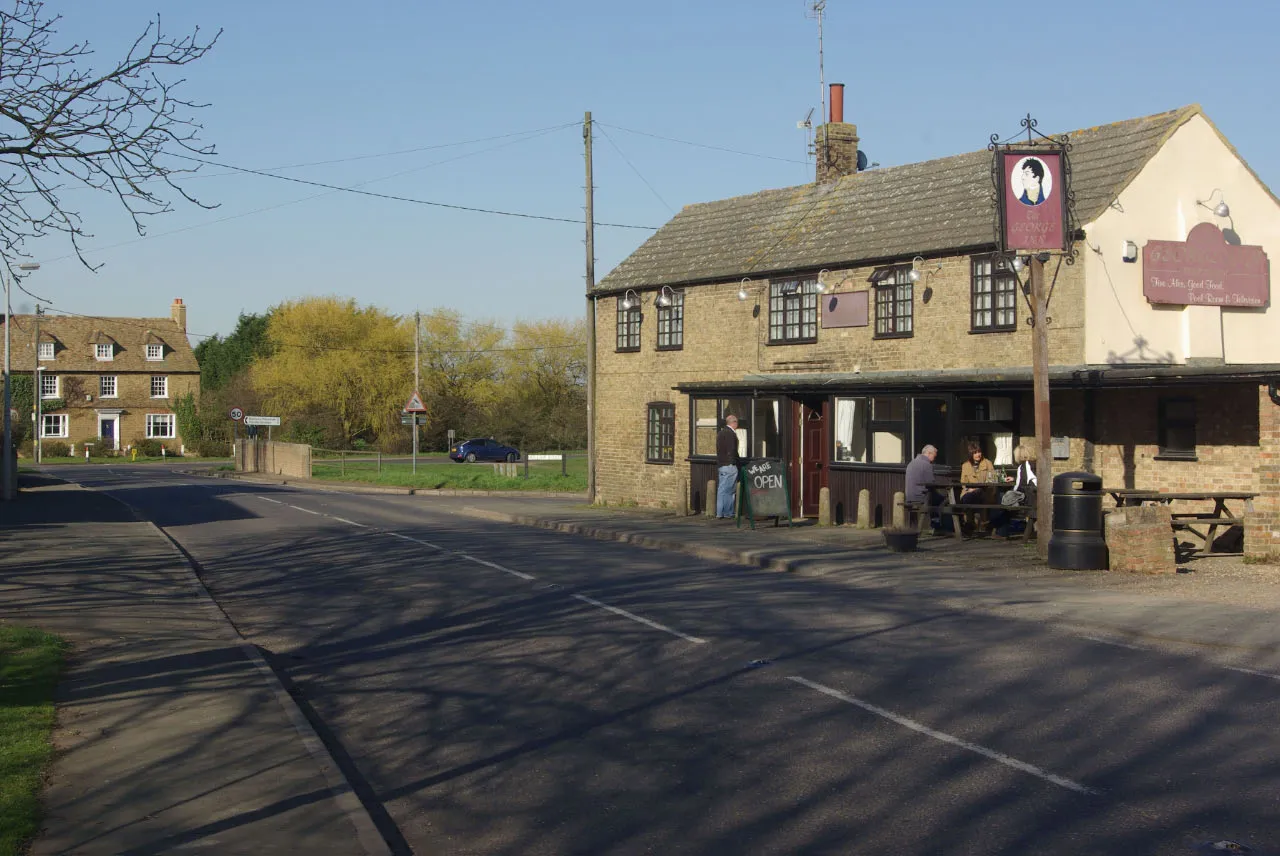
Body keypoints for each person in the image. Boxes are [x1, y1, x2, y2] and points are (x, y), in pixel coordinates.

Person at [995, 443, 1039, 538]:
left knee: (1003, 503)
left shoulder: (1022, 467)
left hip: (1029, 500)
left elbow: (1018, 487)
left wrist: (1012, 490)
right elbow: (1031, 478)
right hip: (1037, 497)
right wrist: (1015, 478)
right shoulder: (1036, 464)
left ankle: (1001, 532)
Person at [958, 441, 996, 535]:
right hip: (969, 493)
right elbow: (963, 482)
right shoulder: (965, 465)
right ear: (971, 454)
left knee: (979, 493)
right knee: (967, 498)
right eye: (975, 453)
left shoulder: (987, 463)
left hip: (984, 492)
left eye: (979, 452)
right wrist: (968, 489)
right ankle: (972, 523)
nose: (978, 454)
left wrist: (977, 488)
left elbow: (992, 479)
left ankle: (978, 523)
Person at [904, 444, 943, 530]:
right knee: (942, 500)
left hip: (909, 497)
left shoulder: (911, 463)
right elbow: (931, 483)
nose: (934, 459)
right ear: (929, 453)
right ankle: (936, 524)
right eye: (934, 456)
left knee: (935, 497)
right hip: (921, 497)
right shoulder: (927, 465)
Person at [715, 414, 742, 519]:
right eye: (737, 422)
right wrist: (734, 461)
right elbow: (732, 450)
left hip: (721, 465)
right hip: (729, 465)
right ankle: (728, 512)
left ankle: (719, 512)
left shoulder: (721, 433)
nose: (737, 425)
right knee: (730, 490)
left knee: (721, 489)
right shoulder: (731, 434)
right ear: (733, 423)